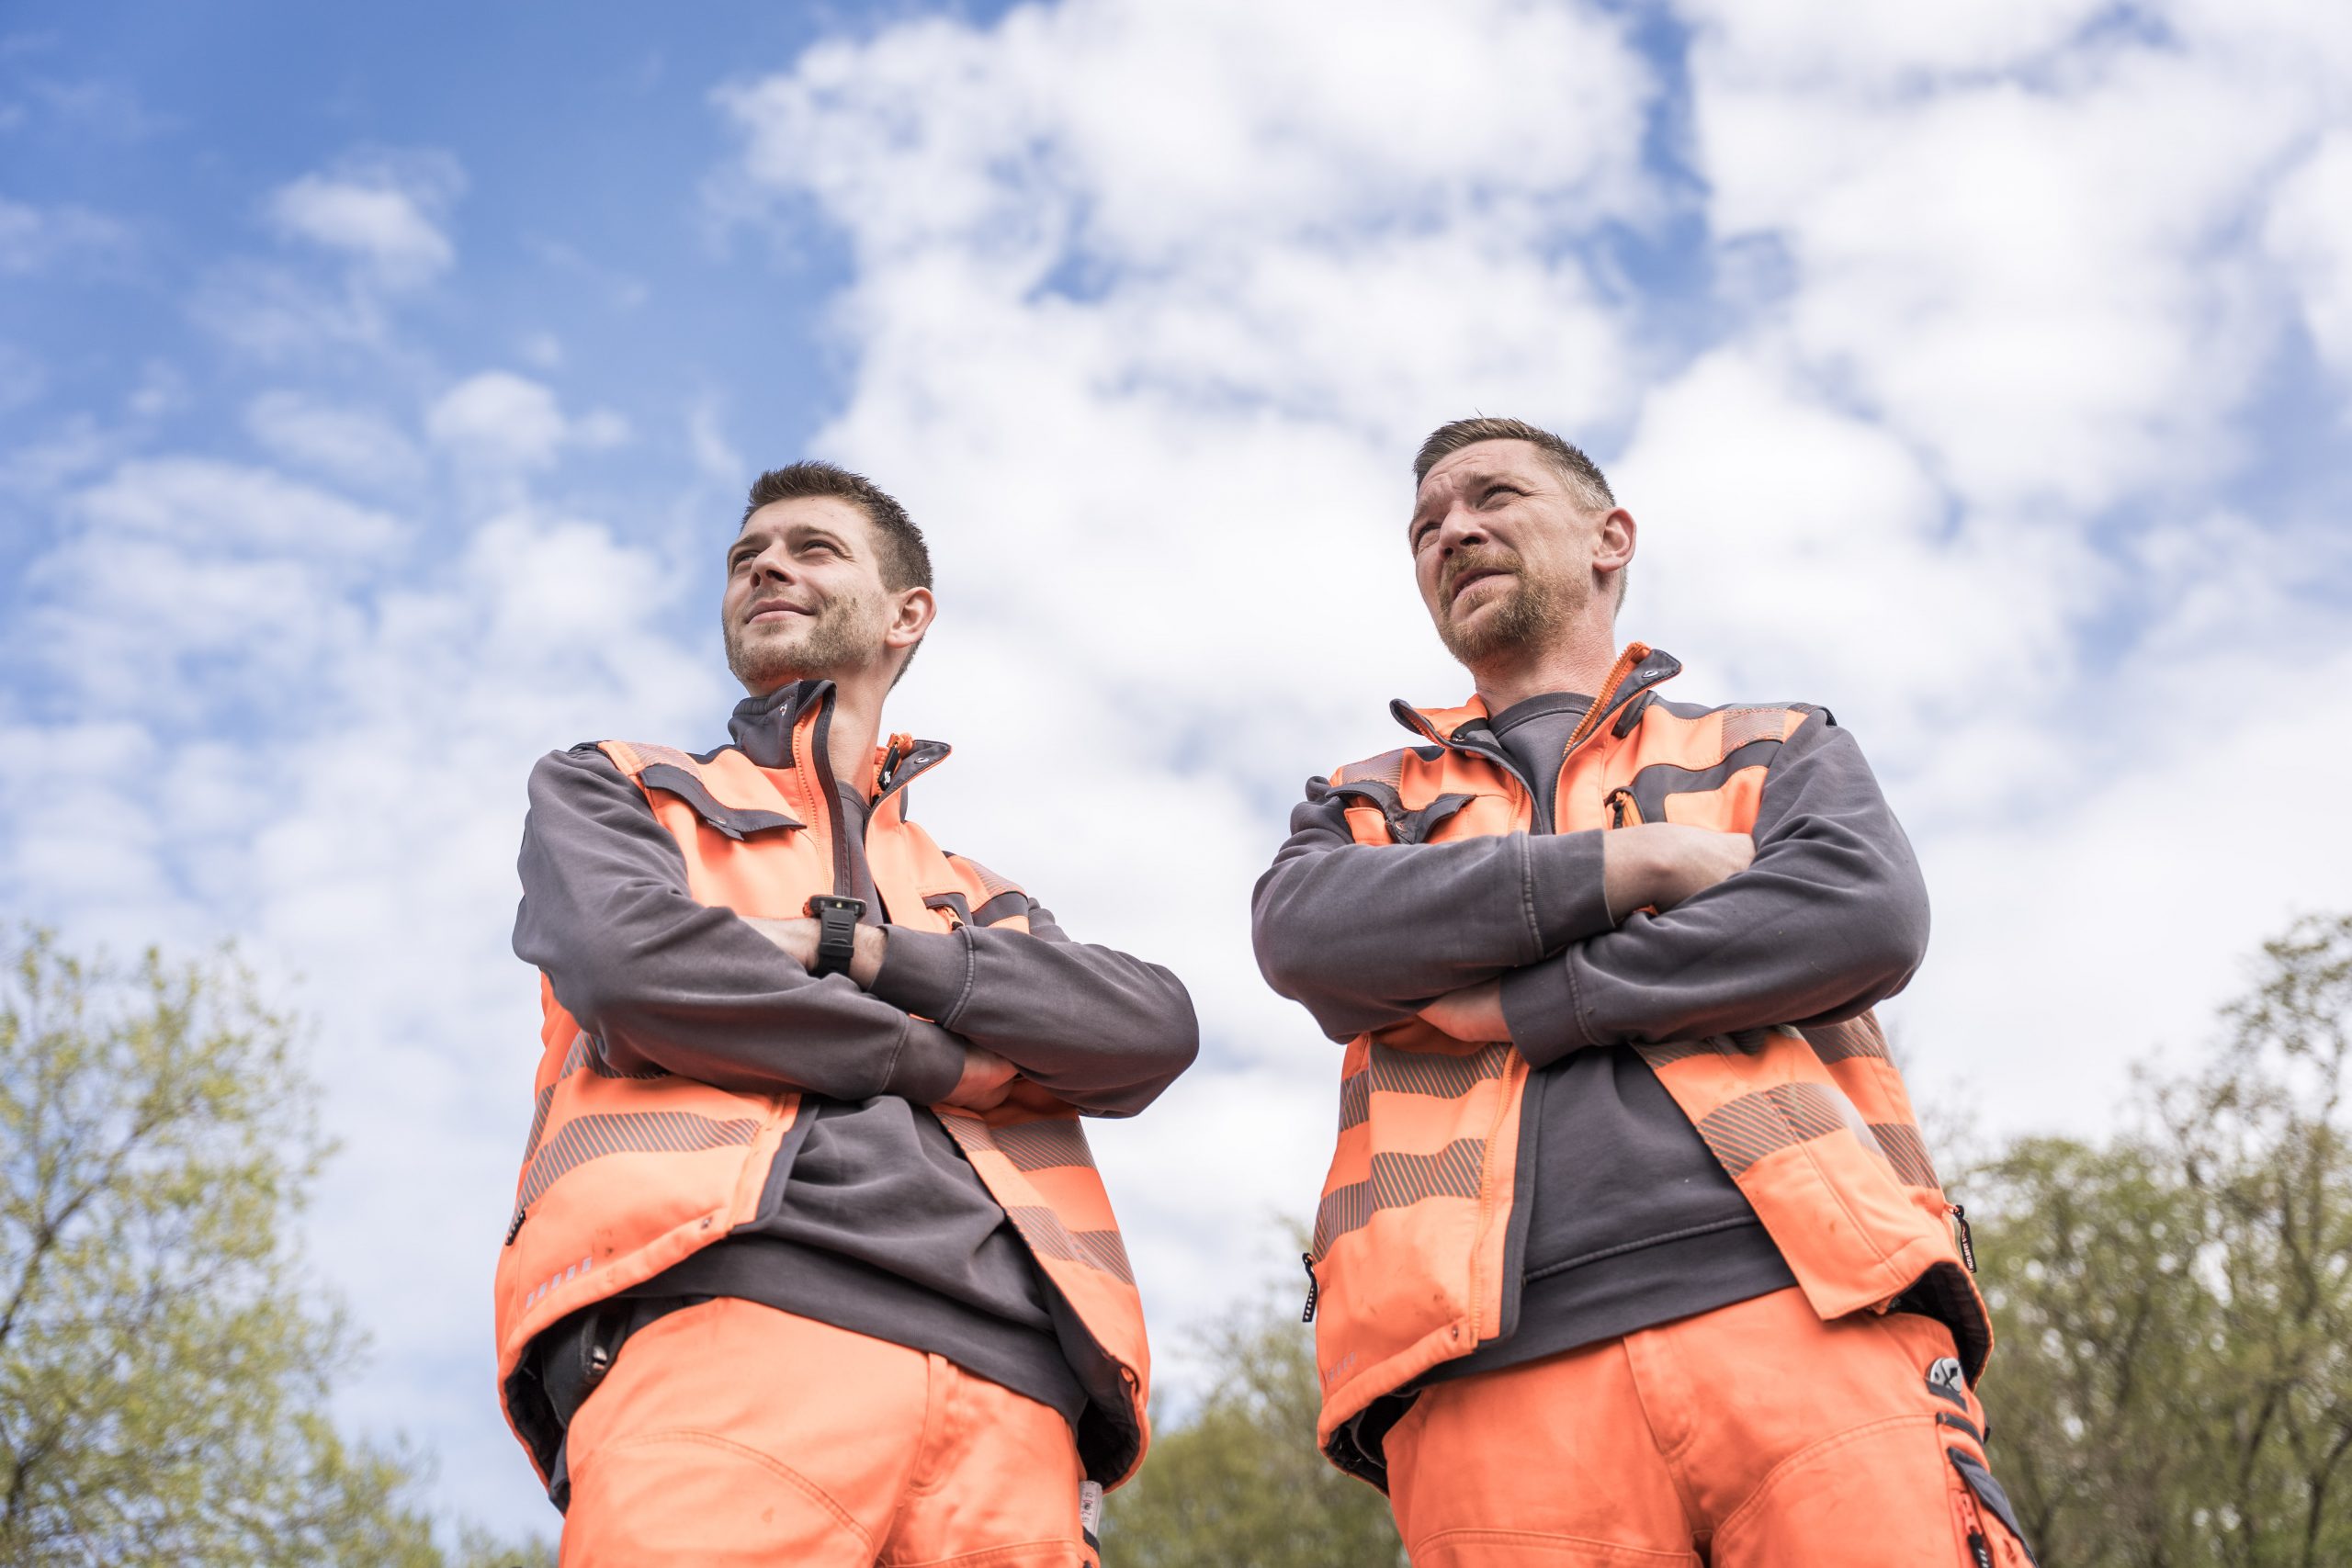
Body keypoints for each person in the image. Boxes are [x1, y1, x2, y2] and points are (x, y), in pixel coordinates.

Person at [1252, 417, 2032, 1567]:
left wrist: (1533, 1003)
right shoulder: (1363, 801)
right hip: (1481, 1386)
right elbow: (1308, 937)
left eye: (1494, 497)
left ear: (1610, 537)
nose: (1453, 531)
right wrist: (1639, 867)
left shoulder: (1769, 746)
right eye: (1425, 527)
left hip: (1812, 1313)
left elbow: (1858, 914)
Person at [495, 460, 1198, 1567]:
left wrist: (854, 949)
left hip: (1020, 1399)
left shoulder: (976, 891)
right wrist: (952, 1059)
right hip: (719, 1321)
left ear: (906, 615)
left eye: (812, 548)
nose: (766, 564)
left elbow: (1148, 1033)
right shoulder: (619, 786)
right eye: (746, 556)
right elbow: (633, 973)